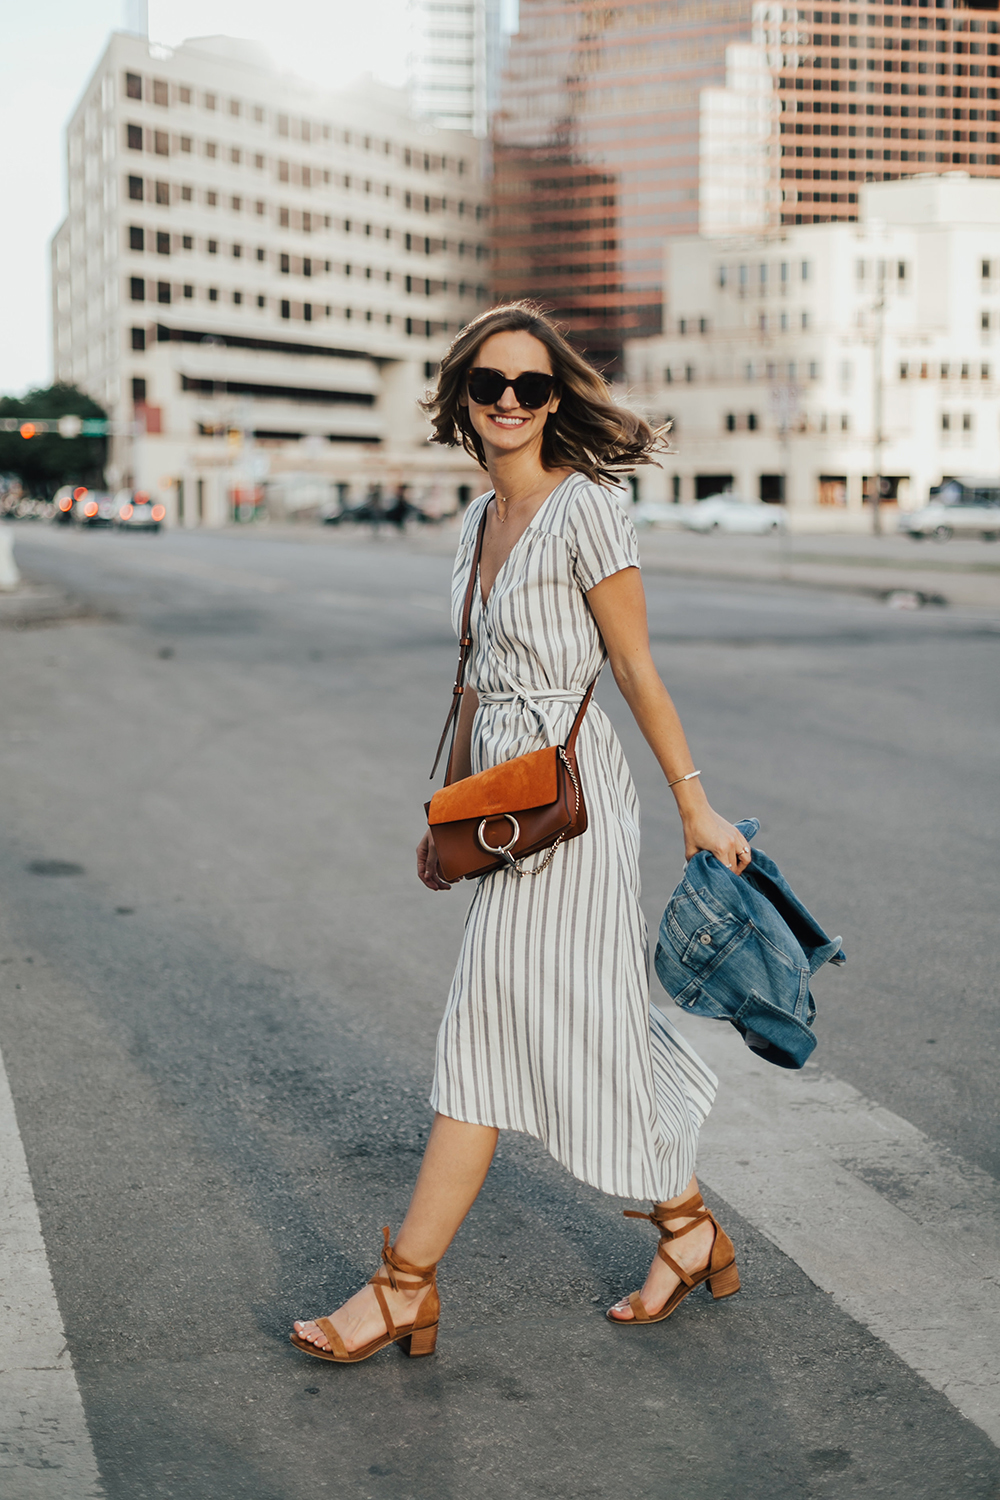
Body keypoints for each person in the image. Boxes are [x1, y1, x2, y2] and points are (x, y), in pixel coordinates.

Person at [291, 302, 750, 1364]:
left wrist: (692, 803)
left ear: (555, 401)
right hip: (500, 810)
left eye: (529, 387)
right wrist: (445, 811)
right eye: (488, 385)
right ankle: (688, 1232)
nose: (507, 401)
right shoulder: (472, 522)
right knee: (578, 1027)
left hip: (571, 810)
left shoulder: (587, 506)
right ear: (462, 398)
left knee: (482, 1034)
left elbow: (634, 670)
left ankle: (404, 1287)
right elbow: (469, 682)